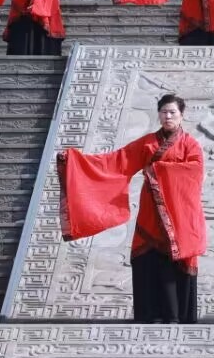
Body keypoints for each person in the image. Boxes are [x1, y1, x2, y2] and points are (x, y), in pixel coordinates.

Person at [57, 92, 206, 323]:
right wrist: (76, 160)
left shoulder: (190, 145)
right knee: (149, 257)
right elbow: (118, 160)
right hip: (151, 211)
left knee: (175, 260)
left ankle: (177, 315)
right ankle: (150, 314)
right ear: (158, 114)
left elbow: (195, 171)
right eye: (164, 112)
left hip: (179, 213)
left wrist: (159, 171)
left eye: (172, 112)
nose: (168, 116)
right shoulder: (147, 143)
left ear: (181, 115)